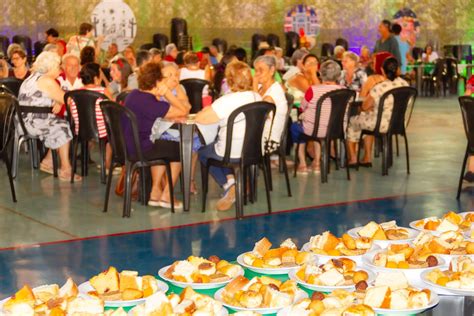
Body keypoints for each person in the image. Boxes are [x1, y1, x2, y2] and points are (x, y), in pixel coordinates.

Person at [196, 61, 262, 211]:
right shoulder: (257, 97)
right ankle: (232, 184)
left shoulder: (226, 101)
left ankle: (229, 184)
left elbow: (201, 119)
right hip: (252, 151)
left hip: (229, 152)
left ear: (229, 80)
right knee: (220, 147)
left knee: (203, 151)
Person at [123, 62, 189, 208]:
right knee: (179, 149)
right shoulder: (150, 102)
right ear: (157, 81)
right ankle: (167, 195)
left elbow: (150, 115)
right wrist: (166, 93)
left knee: (163, 144)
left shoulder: (134, 95)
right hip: (141, 149)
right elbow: (183, 110)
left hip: (128, 146)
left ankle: (155, 194)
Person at [17, 52, 80, 181]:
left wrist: (57, 101)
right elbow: (67, 99)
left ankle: (48, 162)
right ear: (50, 67)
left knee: (55, 123)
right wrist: (59, 100)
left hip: (22, 122)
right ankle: (65, 169)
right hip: (34, 123)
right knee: (63, 126)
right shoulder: (47, 80)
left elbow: (55, 97)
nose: (60, 69)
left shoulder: (32, 78)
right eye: (58, 66)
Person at [346, 57, 408, 167]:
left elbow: (365, 106)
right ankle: (366, 157)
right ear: (398, 70)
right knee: (368, 117)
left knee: (352, 121)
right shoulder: (405, 84)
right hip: (398, 124)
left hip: (380, 125)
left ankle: (353, 158)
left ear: (382, 70)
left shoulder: (379, 87)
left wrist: (360, 109)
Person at [291, 60, 344, 174]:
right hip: (335, 129)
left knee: (296, 127)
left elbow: (302, 107)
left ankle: (303, 164)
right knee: (319, 128)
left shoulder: (313, 90)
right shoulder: (345, 90)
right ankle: (316, 163)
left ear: (320, 73)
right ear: (339, 75)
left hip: (314, 129)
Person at [68, 63, 114, 171]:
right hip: (100, 131)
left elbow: (72, 114)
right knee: (112, 134)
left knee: (92, 130)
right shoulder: (103, 91)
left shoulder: (74, 93)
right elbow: (112, 111)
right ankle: (107, 166)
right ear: (96, 78)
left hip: (80, 130)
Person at [253, 55, 288, 153]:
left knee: (234, 139)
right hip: (258, 132)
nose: (257, 74)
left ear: (272, 70)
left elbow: (257, 114)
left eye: (261, 70)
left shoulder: (274, 91)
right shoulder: (261, 87)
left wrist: (254, 86)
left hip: (268, 140)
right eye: (256, 70)